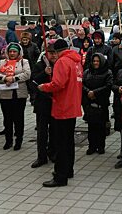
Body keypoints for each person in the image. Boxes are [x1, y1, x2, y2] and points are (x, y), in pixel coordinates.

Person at [39, 39, 83, 187]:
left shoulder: (62, 62)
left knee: (61, 144)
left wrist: (44, 87)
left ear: (57, 52)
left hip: (62, 106)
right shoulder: (76, 61)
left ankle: (60, 176)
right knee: (69, 142)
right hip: (73, 105)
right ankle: (68, 170)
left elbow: (58, 84)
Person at [0, 43, 31, 151]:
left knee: (18, 118)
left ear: (19, 52)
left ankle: (18, 140)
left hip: (19, 93)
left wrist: (14, 78)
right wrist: (5, 78)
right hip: (5, 93)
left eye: (14, 51)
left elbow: (27, 74)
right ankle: (8, 140)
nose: (12, 53)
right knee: (7, 118)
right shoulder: (2, 62)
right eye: (10, 51)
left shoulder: (24, 62)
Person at [30, 42, 58, 168]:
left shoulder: (59, 65)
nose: (53, 55)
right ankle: (41, 156)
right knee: (42, 133)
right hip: (42, 104)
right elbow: (33, 83)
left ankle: (52, 153)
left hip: (55, 103)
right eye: (50, 53)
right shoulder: (39, 65)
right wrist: (44, 73)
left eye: (54, 53)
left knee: (54, 131)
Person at [81, 53, 113, 155]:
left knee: (101, 127)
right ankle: (92, 146)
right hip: (89, 104)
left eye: (98, 61)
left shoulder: (107, 73)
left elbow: (108, 86)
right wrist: (88, 92)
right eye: (94, 61)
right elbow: (81, 84)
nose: (96, 63)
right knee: (91, 127)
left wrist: (95, 92)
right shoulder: (87, 72)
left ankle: (101, 146)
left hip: (101, 103)